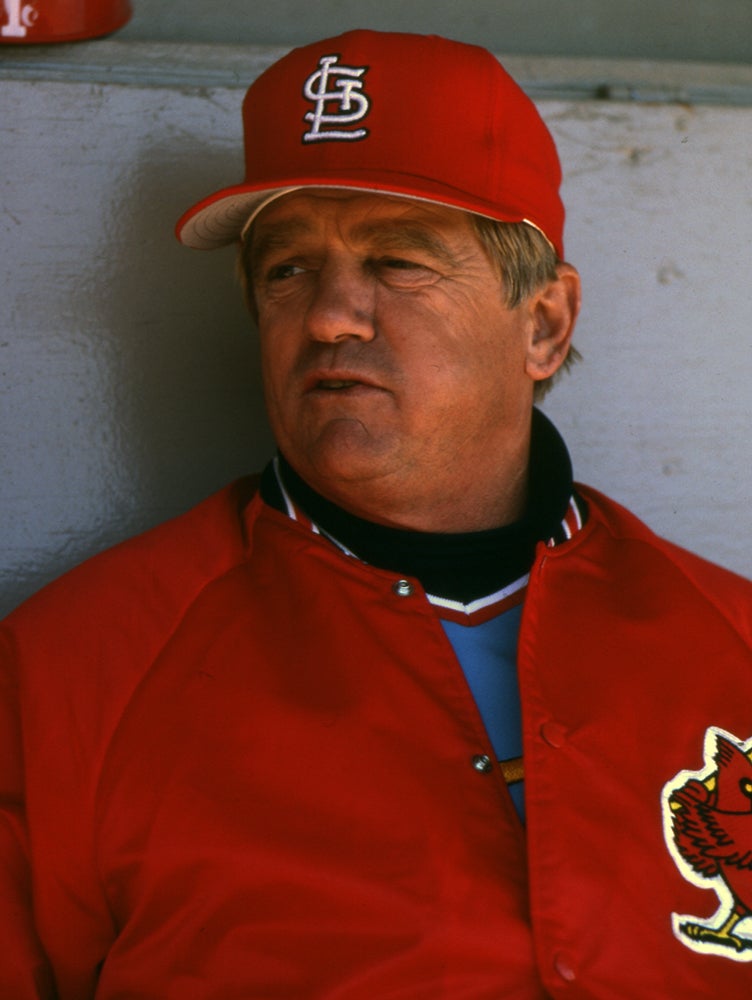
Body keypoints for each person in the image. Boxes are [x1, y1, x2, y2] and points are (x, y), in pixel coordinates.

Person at [1, 28, 751, 1000]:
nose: (328, 315)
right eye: (286, 270)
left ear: (543, 324)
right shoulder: (75, 671)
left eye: (398, 261)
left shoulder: (730, 643)